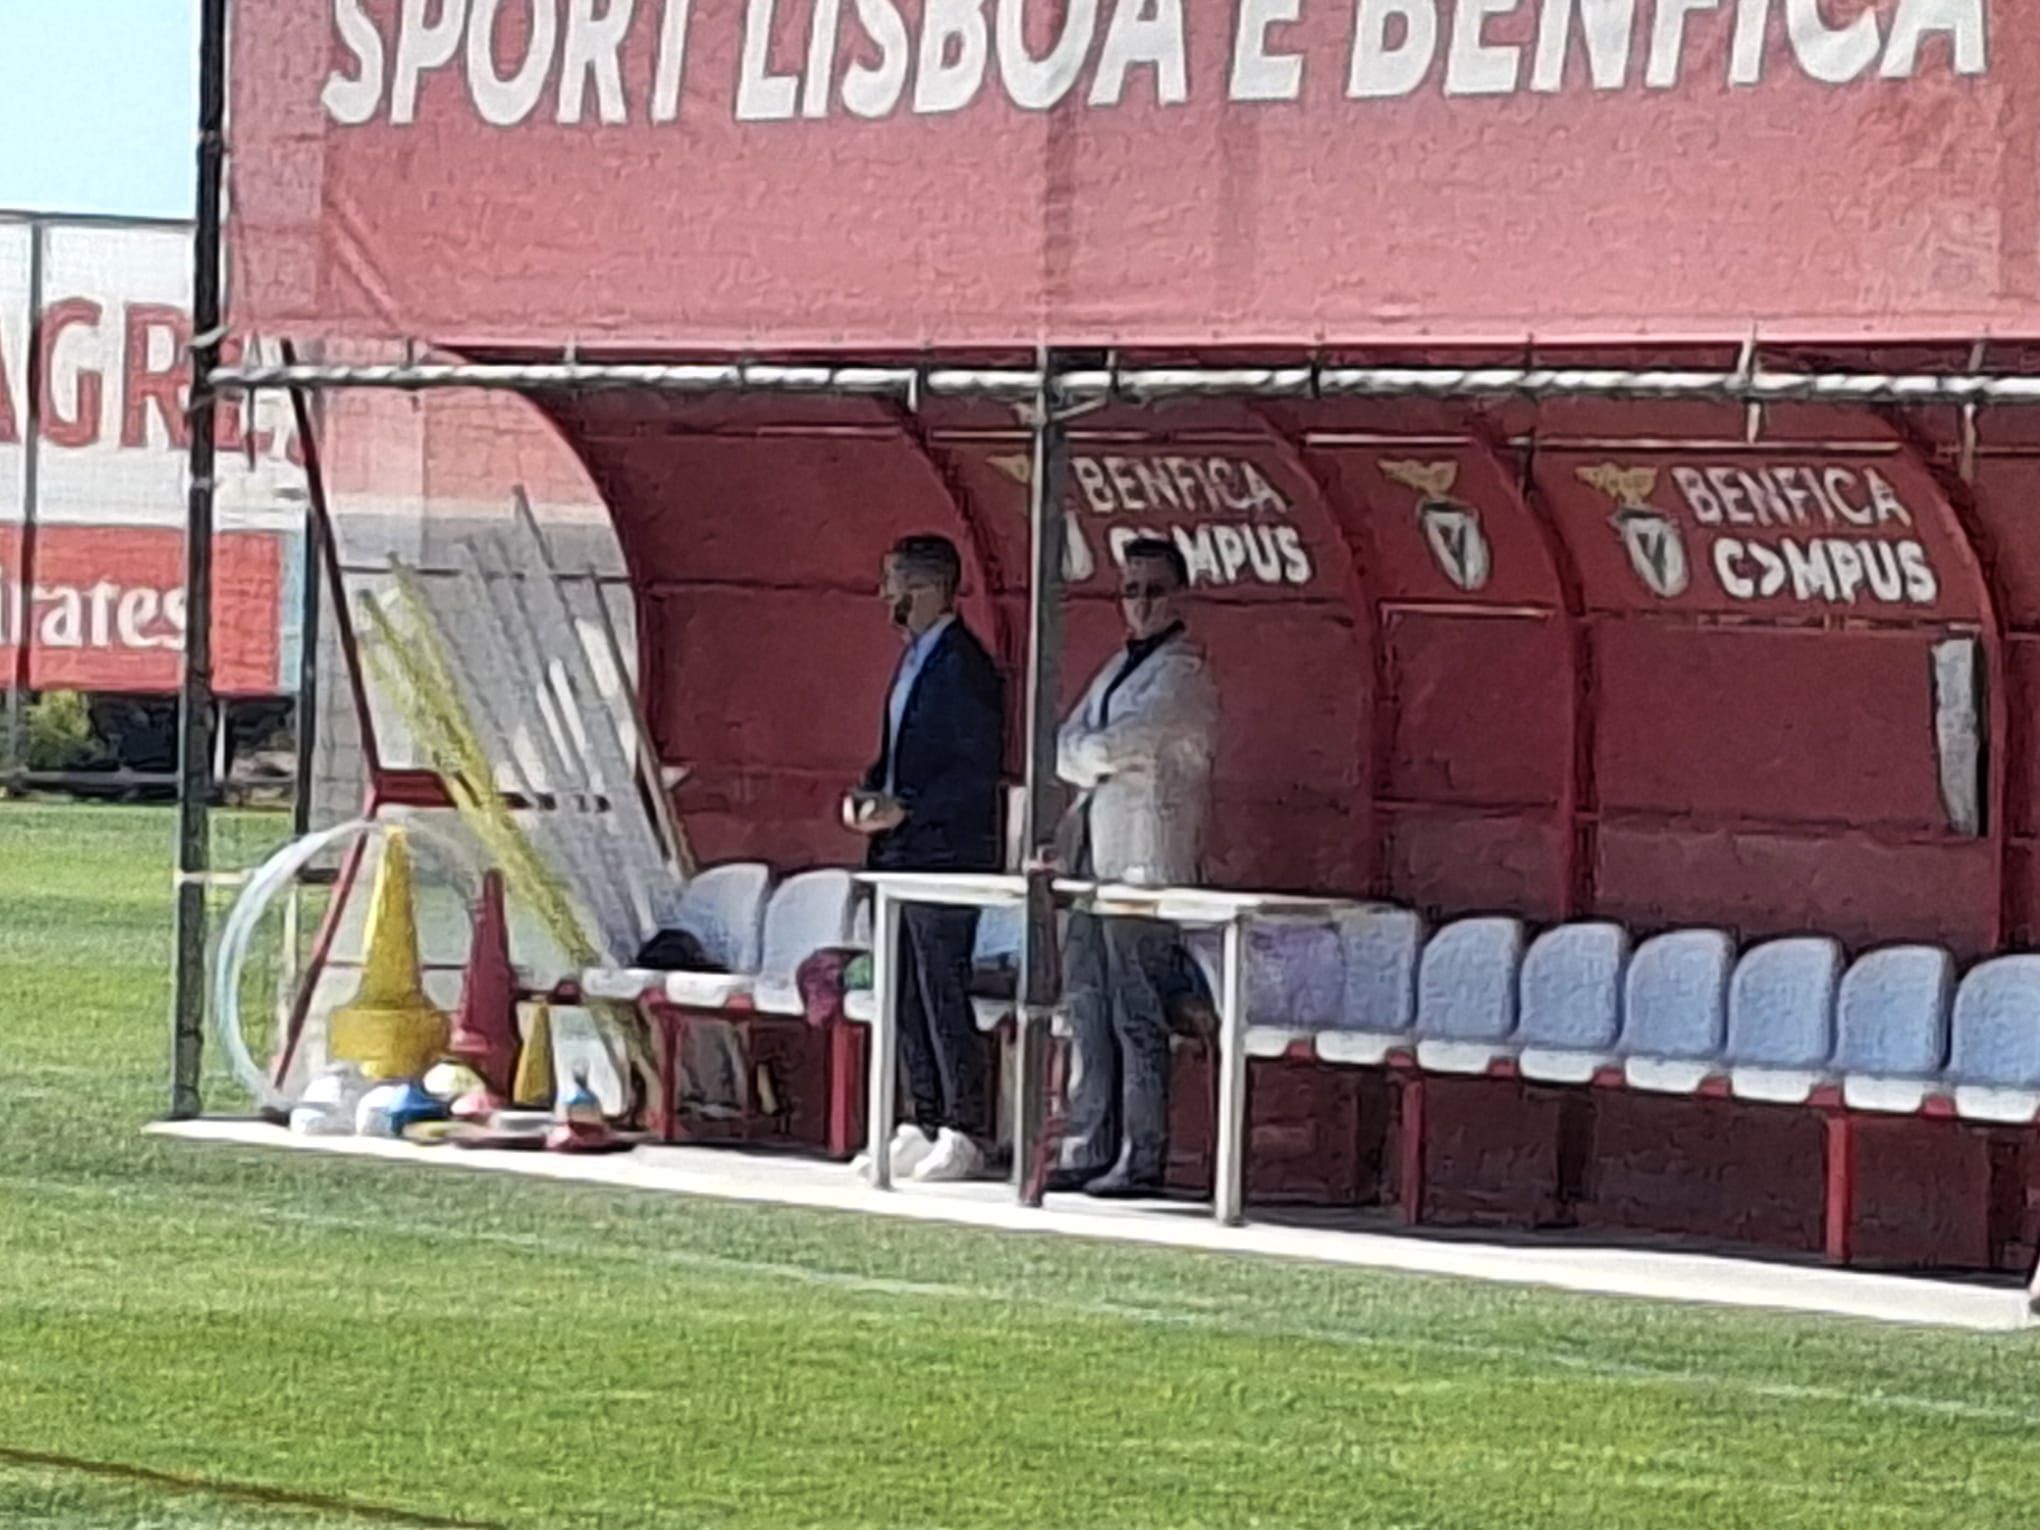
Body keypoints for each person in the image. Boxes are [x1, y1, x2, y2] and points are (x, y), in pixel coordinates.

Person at [1049, 536, 1219, 1198]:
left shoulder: (1183, 673)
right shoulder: (1118, 666)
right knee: (1087, 1004)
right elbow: (1065, 745)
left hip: (1147, 863)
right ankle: (1088, 1141)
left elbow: (1128, 743)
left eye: (1154, 590)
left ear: (1180, 596)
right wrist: (1094, 754)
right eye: (1130, 591)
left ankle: (1140, 1154)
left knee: (1136, 1012)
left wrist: (1092, 754)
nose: (1141, 604)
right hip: (1093, 860)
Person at [843, 534, 1006, 1183]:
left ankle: (964, 1125)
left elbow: (974, 770)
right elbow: (897, 754)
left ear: (927, 587)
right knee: (902, 988)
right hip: (898, 855)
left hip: (945, 854)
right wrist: (868, 794)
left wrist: (908, 806)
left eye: (894, 581)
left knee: (941, 986)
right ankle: (921, 1114)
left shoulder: (965, 666)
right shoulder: (912, 662)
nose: (885, 595)